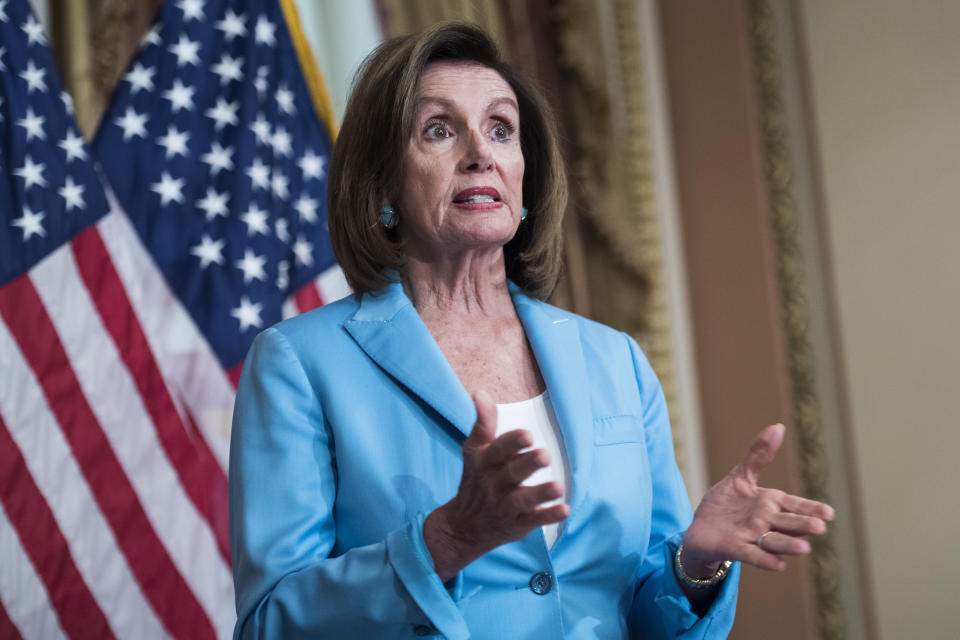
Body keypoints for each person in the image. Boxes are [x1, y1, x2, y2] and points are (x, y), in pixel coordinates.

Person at [228, 23, 834, 640]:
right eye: (439, 130)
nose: (479, 153)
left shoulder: (614, 360)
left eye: (500, 129)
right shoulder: (301, 364)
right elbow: (270, 623)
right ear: (383, 182)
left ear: (524, 183)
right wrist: (447, 540)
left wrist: (696, 563)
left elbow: (648, 612)